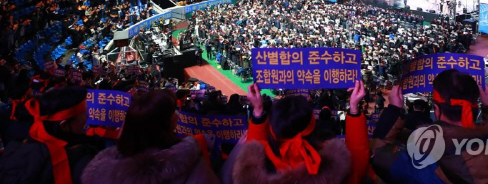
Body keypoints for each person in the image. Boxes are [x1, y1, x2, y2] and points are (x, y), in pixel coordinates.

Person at [371, 69, 488, 183]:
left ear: (436, 109)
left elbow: (378, 154)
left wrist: (393, 110)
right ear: (476, 106)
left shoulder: (424, 158)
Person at [224, 81, 370, 184]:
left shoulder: (252, 172)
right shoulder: (334, 167)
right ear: (312, 125)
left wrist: (257, 112)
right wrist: (354, 109)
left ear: (273, 126)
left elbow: (253, 150)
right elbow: (357, 158)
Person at [82, 89, 219, 184]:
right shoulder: (190, 164)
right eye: (172, 111)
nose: (177, 115)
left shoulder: (100, 171)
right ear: (162, 123)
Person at [0, 86, 104, 184]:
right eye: (85, 113)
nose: (89, 117)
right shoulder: (83, 163)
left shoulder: (18, 146)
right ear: (64, 124)